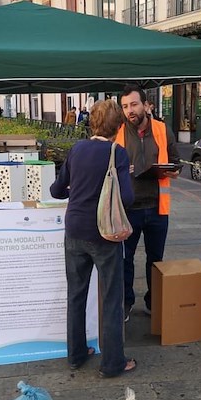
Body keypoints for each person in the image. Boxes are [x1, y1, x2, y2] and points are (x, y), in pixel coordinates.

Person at [50, 99, 137, 378]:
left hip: (74, 231)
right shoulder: (117, 153)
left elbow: (56, 190)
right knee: (112, 298)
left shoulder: (77, 149)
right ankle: (112, 363)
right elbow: (127, 198)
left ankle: (75, 355)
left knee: (76, 295)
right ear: (118, 126)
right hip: (104, 234)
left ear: (92, 122)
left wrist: (77, 191)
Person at [117, 84, 180, 320]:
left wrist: (172, 170)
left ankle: (154, 302)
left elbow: (174, 161)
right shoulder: (119, 132)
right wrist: (122, 170)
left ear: (145, 105)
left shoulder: (163, 130)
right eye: (125, 106)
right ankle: (126, 301)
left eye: (133, 104)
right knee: (125, 259)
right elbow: (109, 168)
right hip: (128, 209)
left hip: (157, 208)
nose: (129, 110)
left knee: (156, 260)